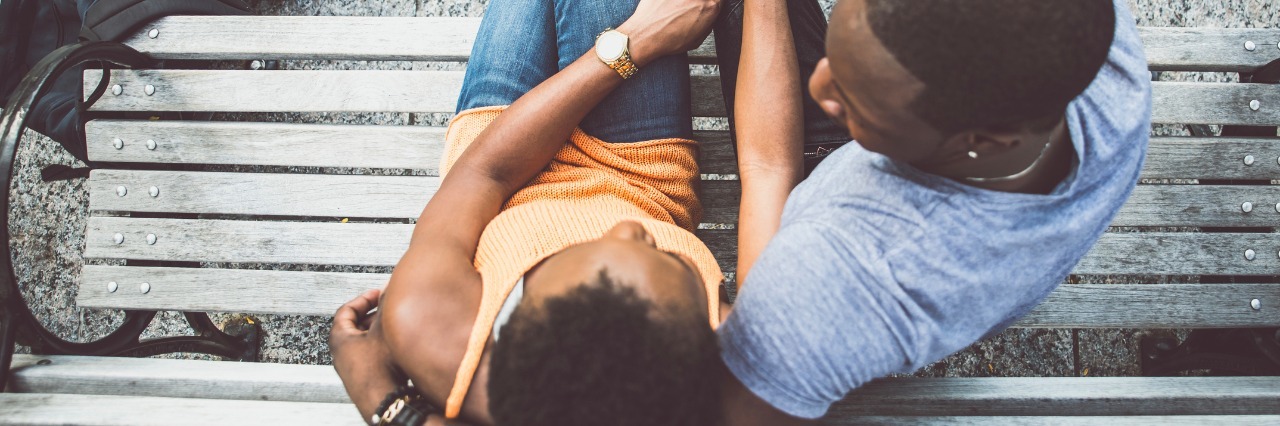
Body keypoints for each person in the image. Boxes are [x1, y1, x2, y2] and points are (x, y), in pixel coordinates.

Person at [715, 0, 1151, 423]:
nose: (818, 84)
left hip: (825, 258)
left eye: (854, 99)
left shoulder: (847, 275)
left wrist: (766, 174)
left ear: (984, 141)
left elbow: (769, 178)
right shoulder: (1100, 62)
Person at [326, 0, 729, 424]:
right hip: (640, 171)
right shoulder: (718, 366)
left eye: (547, 267)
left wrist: (630, 46)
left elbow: (485, 174)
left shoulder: (432, 328)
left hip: (502, 151)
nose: (629, 229)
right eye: (669, 260)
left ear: (508, 330)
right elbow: (768, 166)